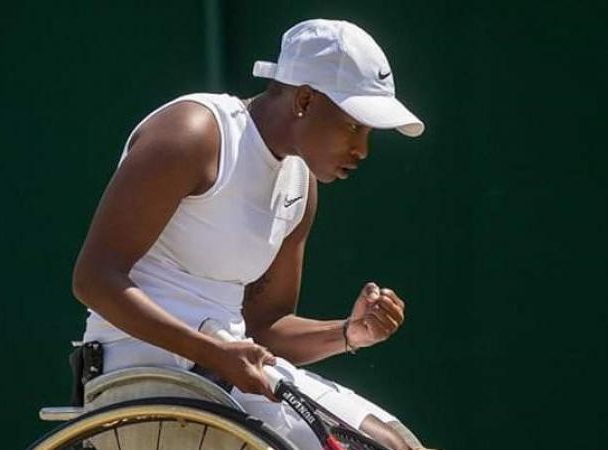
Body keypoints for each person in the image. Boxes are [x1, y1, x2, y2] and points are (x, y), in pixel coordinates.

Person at [72, 19, 430, 450]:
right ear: (304, 99)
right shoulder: (194, 133)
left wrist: (348, 333)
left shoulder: (301, 186)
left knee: (398, 446)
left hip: (224, 376)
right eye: (354, 126)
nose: (362, 150)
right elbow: (94, 279)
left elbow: (265, 330)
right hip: (140, 379)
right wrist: (213, 352)